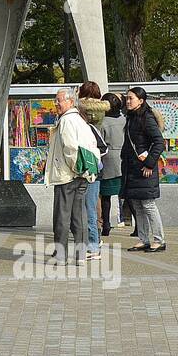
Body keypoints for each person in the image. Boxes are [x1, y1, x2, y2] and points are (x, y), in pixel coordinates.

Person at [44, 87, 101, 264]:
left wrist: (76, 168)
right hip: (82, 176)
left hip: (67, 176)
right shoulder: (81, 120)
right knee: (80, 217)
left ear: (70, 101)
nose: (56, 104)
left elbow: (70, 149)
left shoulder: (67, 121)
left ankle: (61, 255)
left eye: (59, 100)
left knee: (62, 217)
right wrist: (85, 171)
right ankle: (81, 256)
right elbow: (93, 146)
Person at [122, 86, 166, 252]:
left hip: (144, 168)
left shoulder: (146, 118)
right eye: (127, 98)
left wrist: (149, 163)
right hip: (133, 169)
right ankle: (143, 239)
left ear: (141, 101)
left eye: (130, 98)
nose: (127, 101)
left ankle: (159, 239)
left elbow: (159, 142)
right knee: (138, 205)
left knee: (148, 205)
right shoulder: (131, 117)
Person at [76, 81, 109, 259]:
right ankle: (93, 241)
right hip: (95, 170)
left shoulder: (88, 124)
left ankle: (93, 245)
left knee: (89, 208)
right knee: (93, 207)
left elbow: (102, 147)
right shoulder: (102, 113)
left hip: (90, 171)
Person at [99, 92, 125, 235]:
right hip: (123, 159)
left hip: (108, 160)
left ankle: (106, 224)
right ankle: (138, 226)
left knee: (106, 195)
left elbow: (100, 143)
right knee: (127, 194)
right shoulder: (124, 120)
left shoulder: (103, 123)